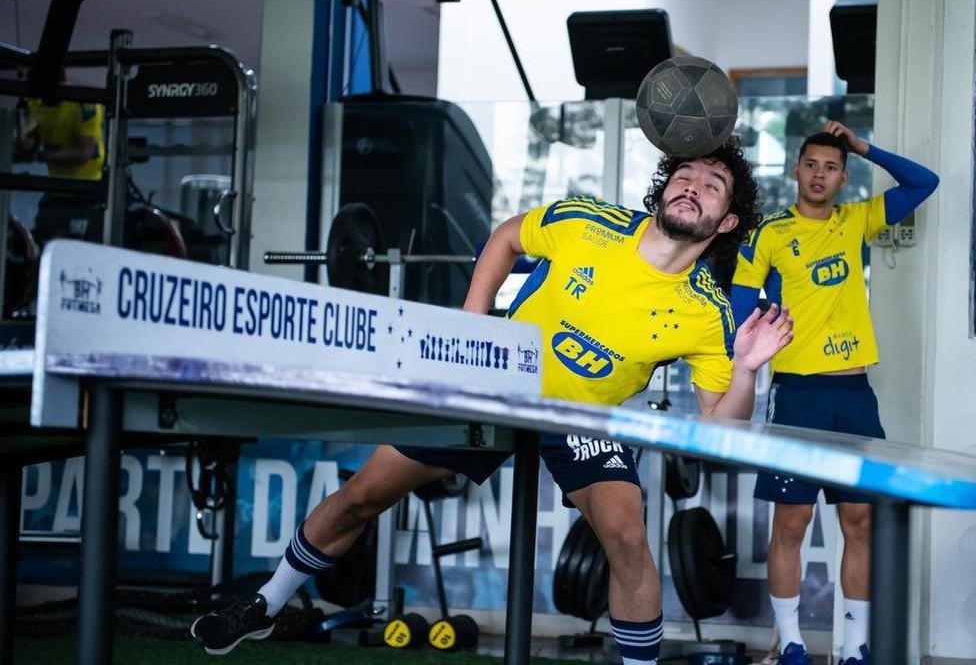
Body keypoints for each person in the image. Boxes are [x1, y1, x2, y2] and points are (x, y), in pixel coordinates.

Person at [192, 139, 794, 663]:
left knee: (629, 537)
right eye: (685, 176)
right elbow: (507, 237)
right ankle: (266, 602)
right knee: (361, 496)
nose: (693, 187)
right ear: (664, 188)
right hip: (496, 387)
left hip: (580, 419)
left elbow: (724, 427)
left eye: (712, 185)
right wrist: (472, 325)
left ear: (726, 224)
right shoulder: (589, 223)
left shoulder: (705, 311)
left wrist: (745, 369)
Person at [730, 120, 939, 665]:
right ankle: (792, 643)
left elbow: (924, 183)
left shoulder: (855, 221)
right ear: (795, 170)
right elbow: (737, 302)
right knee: (792, 523)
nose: (820, 174)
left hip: (855, 395)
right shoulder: (770, 232)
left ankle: (856, 646)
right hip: (797, 393)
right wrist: (744, 357)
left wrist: (863, 145)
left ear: (844, 178)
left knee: (860, 521)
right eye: (812, 165)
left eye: (831, 167)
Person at [14, 84, 106, 245]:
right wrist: (25, 145)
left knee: (81, 245)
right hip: (56, 188)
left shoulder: (83, 102)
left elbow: (83, 153)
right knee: (43, 240)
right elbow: (27, 145)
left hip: (87, 189)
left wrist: (41, 156)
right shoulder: (34, 102)